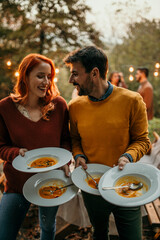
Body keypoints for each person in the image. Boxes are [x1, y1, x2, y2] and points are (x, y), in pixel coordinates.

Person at [64, 46, 150, 240]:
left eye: (75, 74)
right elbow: (75, 139)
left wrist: (128, 156)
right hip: (91, 186)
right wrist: (78, 155)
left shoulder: (132, 100)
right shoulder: (75, 106)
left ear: (94, 73)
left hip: (126, 183)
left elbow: (142, 140)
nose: (71, 80)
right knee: (99, 233)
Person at [0, 53, 71, 240]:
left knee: (47, 228)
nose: (46, 82)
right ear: (25, 76)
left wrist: (66, 160)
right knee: (5, 233)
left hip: (51, 181)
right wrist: (15, 152)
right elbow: (1, 146)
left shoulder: (59, 106)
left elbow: (66, 141)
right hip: (17, 184)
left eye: (49, 77)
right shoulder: (5, 108)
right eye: (40, 76)